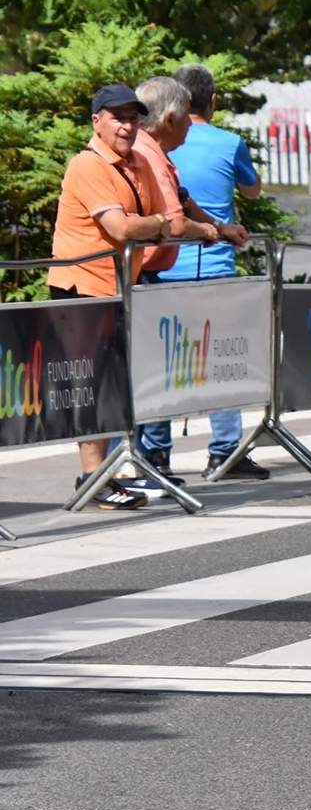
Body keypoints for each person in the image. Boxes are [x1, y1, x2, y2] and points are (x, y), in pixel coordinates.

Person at [48, 84, 174, 509]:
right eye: (117, 117)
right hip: (81, 287)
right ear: (96, 121)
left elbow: (166, 220)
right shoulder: (87, 165)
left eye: (133, 117)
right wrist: (157, 223)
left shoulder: (137, 161)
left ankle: (109, 473)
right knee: (91, 385)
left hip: (117, 287)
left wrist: (207, 229)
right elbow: (122, 228)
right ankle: (93, 477)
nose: (127, 125)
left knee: (111, 384)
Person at [133, 68, 262, 483]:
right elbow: (252, 190)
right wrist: (215, 229)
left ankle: (157, 454)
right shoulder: (226, 142)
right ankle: (225, 451)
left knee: (164, 365)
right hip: (210, 267)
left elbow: (179, 200)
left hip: (163, 270)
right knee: (223, 358)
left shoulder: (151, 151)